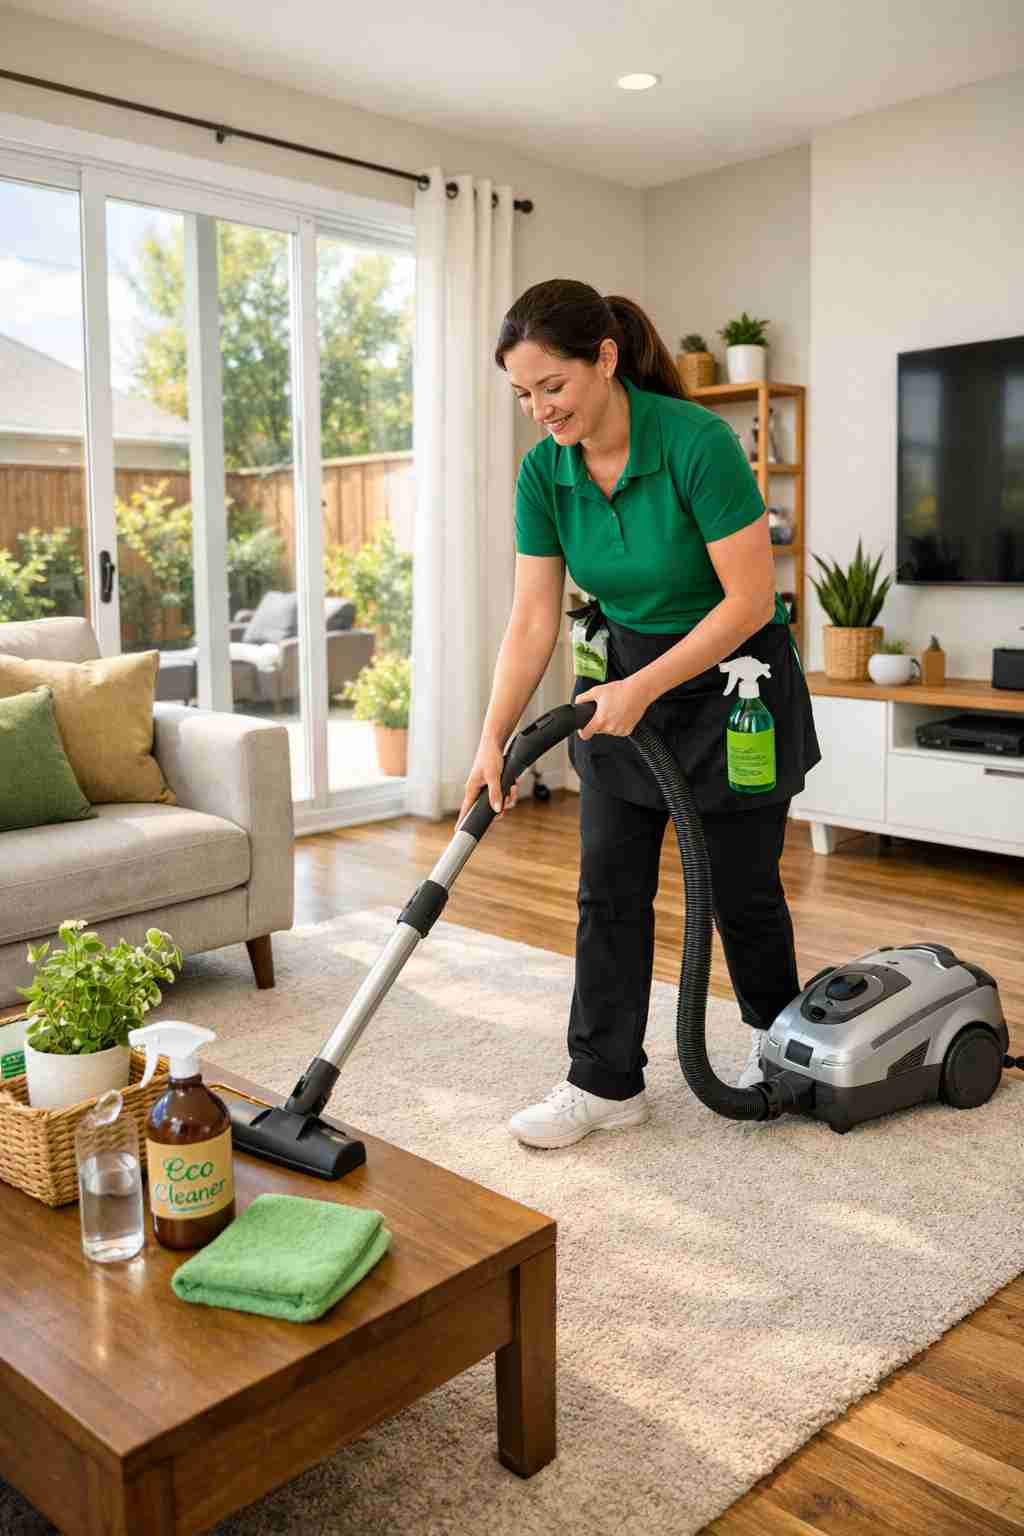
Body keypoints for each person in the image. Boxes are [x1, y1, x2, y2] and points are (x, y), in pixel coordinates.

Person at [457, 279, 820, 1149]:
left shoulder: (695, 443)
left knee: (742, 895)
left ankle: (791, 1056)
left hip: (733, 688)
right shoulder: (545, 472)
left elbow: (748, 601)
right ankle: (605, 1081)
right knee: (607, 891)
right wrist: (490, 735)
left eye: (553, 386)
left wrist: (645, 685)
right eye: (522, 394)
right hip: (619, 691)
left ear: (606, 359)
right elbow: (534, 617)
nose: (540, 409)